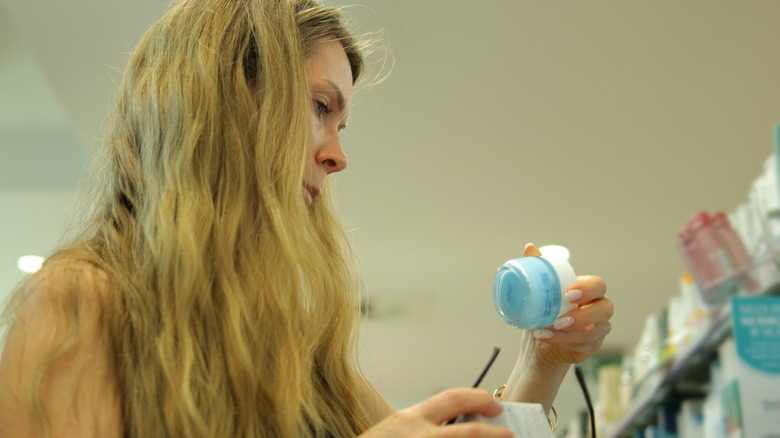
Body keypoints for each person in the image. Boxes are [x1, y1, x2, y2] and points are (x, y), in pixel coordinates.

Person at [0, 0, 613, 436]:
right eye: (321, 107)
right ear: (220, 99)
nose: (337, 156)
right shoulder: (81, 303)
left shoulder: (293, 342)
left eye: (341, 124)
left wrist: (542, 359)